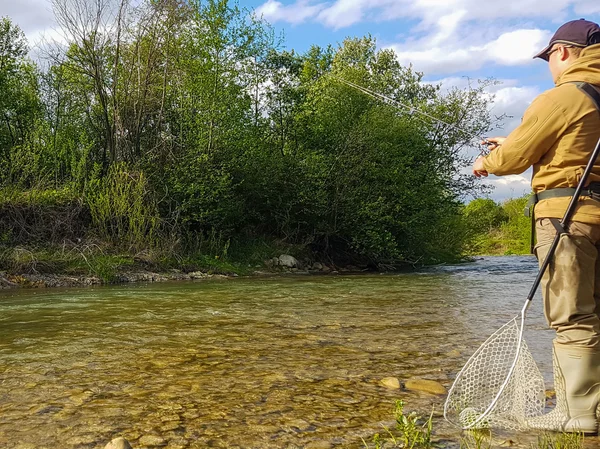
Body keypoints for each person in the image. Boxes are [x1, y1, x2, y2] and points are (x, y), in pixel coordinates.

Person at [472, 19, 600, 433]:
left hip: (568, 221)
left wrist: (488, 161)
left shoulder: (563, 96)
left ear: (563, 52)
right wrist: (510, 141)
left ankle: (578, 414)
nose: (549, 65)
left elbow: (511, 160)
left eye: (548, 57)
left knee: (574, 317)